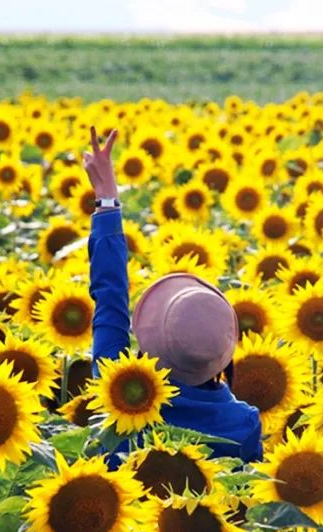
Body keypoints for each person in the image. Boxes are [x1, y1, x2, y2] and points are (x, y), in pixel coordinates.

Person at [82, 127, 263, 462]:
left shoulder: (119, 406)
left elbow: (110, 300)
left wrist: (107, 200)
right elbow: (248, 504)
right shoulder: (243, 424)